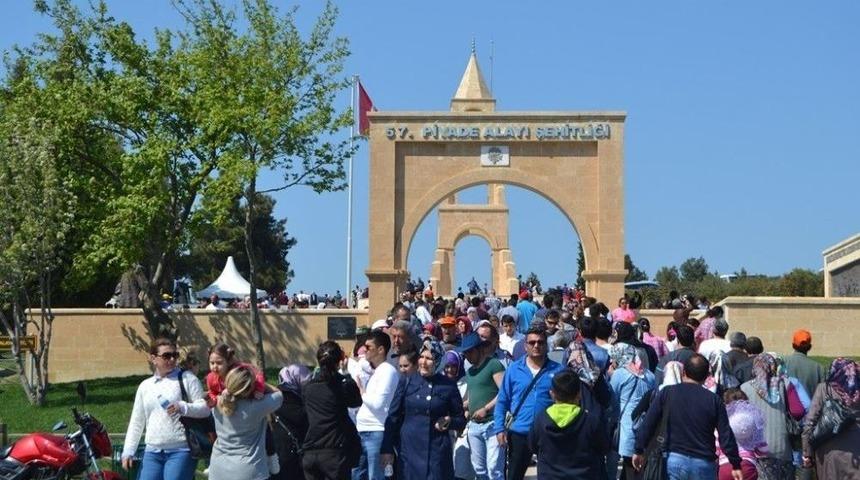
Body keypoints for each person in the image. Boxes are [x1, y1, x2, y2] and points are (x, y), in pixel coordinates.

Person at [633, 354, 743, 480]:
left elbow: (648, 423)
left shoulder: (667, 393)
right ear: (706, 376)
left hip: (673, 460)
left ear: (683, 372)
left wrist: (638, 449)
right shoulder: (714, 400)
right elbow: (725, 434)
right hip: (703, 463)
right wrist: (735, 463)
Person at [121, 338, 211, 480]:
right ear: (153, 358)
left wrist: (183, 406)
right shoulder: (145, 386)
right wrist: (128, 451)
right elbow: (137, 421)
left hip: (182, 450)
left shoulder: (187, 379)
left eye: (174, 355)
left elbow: (205, 409)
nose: (171, 359)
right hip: (152, 451)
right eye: (166, 356)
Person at [381, 338, 467, 480]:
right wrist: (387, 448)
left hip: (436, 451)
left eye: (429, 358)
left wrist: (449, 421)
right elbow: (393, 416)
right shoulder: (407, 381)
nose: (423, 362)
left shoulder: (448, 386)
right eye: (422, 357)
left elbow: (461, 420)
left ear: (438, 361)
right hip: (409, 450)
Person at [493, 327, 564, 480]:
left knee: (551, 475)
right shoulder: (514, 369)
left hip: (548, 432)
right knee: (514, 475)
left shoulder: (558, 371)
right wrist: (499, 428)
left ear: (546, 345)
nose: (536, 346)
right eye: (532, 342)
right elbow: (502, 400)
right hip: (519, 432)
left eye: (540, 342)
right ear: (525, 346)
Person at [528, 370, 610, 479]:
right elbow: (603, 447)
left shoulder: (541, 419)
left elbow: (532, 446)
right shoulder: (590, 421)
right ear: (579, 394)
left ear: (552, 394)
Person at [209, 365, 284, 480]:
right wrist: (260, 385)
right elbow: (279, 395)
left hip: (218, 469)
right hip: (249, 470)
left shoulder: (218, 402)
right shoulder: (257, 406)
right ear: (250, 387)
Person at [302, 341, 363, 480]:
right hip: (334, 452)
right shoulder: (341, 385)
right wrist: (346, 373)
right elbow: (356, 402)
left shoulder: (308, 388)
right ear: (339, 361)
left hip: (311, 450)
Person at [801, 358, 860, 479]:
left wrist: (807, 453)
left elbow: (810, 422)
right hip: (856, 453)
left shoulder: (824, 388)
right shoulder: (857, 392)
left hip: (828, 451)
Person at [739, 353, 796, 477]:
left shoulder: (744, 388)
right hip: (782, 444)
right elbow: (798, 411)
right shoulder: (785, 384)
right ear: (772, 366)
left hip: (756, 447)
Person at [353, 330, 400, 480]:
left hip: (376, 432)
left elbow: (379, 404)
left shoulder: (388, 371)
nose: (364, 350)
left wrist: (362, 392)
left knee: (375, 476)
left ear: (381, 350)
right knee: (357, 474)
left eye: (368, 347)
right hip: (362, 430)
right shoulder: (377, 372)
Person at [461, 332, 506, 480]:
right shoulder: (470, 372)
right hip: (474, 426)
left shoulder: (493, 364)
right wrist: (461, 406)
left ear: (479, 349)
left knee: (494, 469)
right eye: (465, 353)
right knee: (479, 469)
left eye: (470, 351)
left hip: (493, 423)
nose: (468, 355)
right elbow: (471, 397)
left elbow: (504, 393)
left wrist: (486, 408)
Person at [608, 343, 656, 479]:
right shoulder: (650, 375)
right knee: (633, 466)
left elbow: (612, 399)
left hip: (627, 426)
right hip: (644, 425)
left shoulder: (619, 374)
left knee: (630, 466)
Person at [271, 365, 311, 480]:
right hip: (293, 456)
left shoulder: (272, 399)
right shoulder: (297, 404)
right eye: (305, 380)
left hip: (276, 452)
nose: (307, 384)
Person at [782, 329, 824, 405]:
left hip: (787, 413)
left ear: (793, 345)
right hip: (810, 413)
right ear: (810, 347)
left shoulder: (783, 362)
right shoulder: (818, 368)